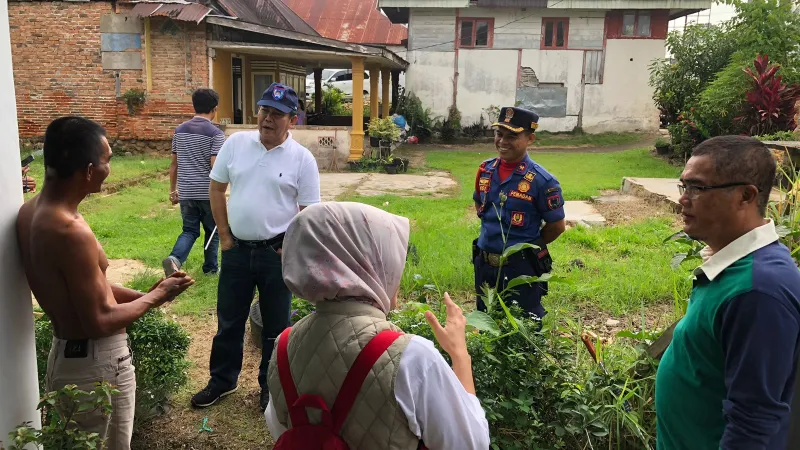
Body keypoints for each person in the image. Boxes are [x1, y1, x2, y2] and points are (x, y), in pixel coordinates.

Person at [16, 116, 195, 450]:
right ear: (87, 171)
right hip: (96, 366)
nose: (109, 167)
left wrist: (147, 293)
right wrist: (156, 298)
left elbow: (84, 285)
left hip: (65, 360)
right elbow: (99, 321)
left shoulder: (29, 213)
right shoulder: (70, 230)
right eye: (107, 161)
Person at [265, 202, 490, 449]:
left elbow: (280, 429)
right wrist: (459, 354)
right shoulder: (411, 357)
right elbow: (472, 443)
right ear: (366, 263)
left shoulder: (284, 347)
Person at [656, 136, 800, 450]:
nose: (683, 199)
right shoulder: (733, 267)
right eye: (684, 186)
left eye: (697, 188)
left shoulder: (759, 291)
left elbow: (754, 420)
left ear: (745, 196)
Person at [191, 83, 321, 410]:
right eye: (264, 110)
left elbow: (309, 213)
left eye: (277, 114)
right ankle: (222, 381)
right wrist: (223, 236)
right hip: (236, 250)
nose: (267, 118)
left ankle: (270, 386)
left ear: (293, 120)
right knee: (229, 320)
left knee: (277, 328)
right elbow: (217, 189)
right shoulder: (235, 144)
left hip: (277, 254)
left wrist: (291, 247)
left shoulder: (302, 160)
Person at [472, 107, 566, 320]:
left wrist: (527, 246)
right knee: (486, 320)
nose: (502, 141)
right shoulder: (485, 170)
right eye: (499, 134)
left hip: (521, 268)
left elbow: (557, 226)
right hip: (485, 263)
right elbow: (479, 199)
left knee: (523, 325)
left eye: (512, 136)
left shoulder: (543, 181)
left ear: (530, 138)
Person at [162, 88, 226, 276]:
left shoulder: (179, 131)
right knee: (212, 231)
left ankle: (175, 260)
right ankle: (211, 268)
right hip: (208, 192)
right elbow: (216, 167)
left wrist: (173, 190)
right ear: (214, 109)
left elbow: (174, 164)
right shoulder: (215, 134)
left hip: (187, 191)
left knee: (189, 230)